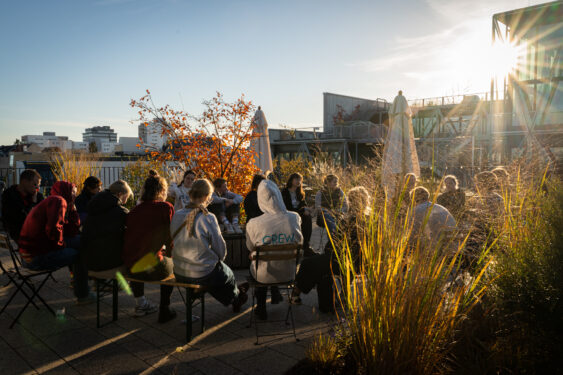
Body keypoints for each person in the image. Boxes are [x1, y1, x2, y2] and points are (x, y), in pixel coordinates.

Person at [171, 179, 248, 312]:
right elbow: (220, 249)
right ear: (207, 196)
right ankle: (235, 296)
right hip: (201, 273)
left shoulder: (177, 215)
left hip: (179, 271)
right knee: (226, 274)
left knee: (216, 276)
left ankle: (235, 294)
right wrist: (219, 260)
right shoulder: (207, 217)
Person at [292, 186, 371, 313]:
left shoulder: (349, 221)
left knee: (309, 264)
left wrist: (326, 253)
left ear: (350, 203)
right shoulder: (371, 220)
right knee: (321, 268)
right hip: (362, 263)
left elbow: (332, 245)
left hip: (343, 262)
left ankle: (296, 292)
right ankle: (337, 300)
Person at [18, 181, 92, 303]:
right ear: (66, 191)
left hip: (27, 256)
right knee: (80, 254)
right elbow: (53, 229)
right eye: (73, 192)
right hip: (36, 258)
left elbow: (71, 231)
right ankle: (83, 295)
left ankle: (87, 280)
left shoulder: (53, 201)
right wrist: (62, 245)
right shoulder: (58, 201)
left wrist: (73, 210)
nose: (75, 195)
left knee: (83, 241)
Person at [122, 170, 176, 323]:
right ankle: (164, 309)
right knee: (172, 268)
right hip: (152, 268)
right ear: (162, 191)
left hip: (131, 268)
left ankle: (140, 304)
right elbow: (169, 238)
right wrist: (171, 256)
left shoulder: (133, 211)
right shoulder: (165, 208)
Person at [246, 179, 303, 320]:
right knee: (267, 259)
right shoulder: (294, 217)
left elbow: (250, 247)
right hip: (289, 272)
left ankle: (261, 306)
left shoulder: (254, 223)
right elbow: (300, 241)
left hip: (263, 275)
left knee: (258, 261)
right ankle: (276, 293)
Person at [81, 180, 133, 271]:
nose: (126, 201)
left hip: (89, 261)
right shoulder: (121, 212)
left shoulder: (94, 206)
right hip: (109, 262)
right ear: (120, 194)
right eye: (127, 197)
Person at [1, 169, 44, 240]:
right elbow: (23, 220)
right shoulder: (9, 196)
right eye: (35, 184)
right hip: (22, 236)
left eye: (39, 185)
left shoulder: (37, 196)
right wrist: (33, 203)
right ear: (25, 182)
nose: (37, 188)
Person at [281, 173, 314, 256]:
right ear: (291, 180)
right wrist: (303, 210)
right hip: (288, 214)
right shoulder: (285, 192)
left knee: (308, 217)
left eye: (300, 180)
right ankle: (302, 246)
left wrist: (308, 209)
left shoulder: (300, 193)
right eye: (296, 179)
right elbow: (287, 207)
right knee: (305, 216)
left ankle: (306, 245)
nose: (298, 181)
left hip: (299, 214)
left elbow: (303, 204)